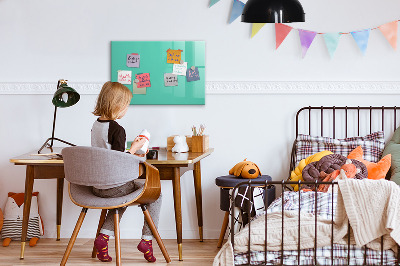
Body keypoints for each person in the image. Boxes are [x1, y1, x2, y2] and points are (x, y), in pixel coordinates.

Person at [91, 81, 161, 263]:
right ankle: (147, 240)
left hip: (97, 186)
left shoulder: (96, 125)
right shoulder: (117, 129)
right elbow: (118, 161)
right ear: (117, 105)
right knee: (156, 194)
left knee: (121, 198)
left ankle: (103, 238)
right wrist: (135, 149)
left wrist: (130, 150)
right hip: (114, 186)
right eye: (126, 105)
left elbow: (108, 155)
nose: (127, 109)